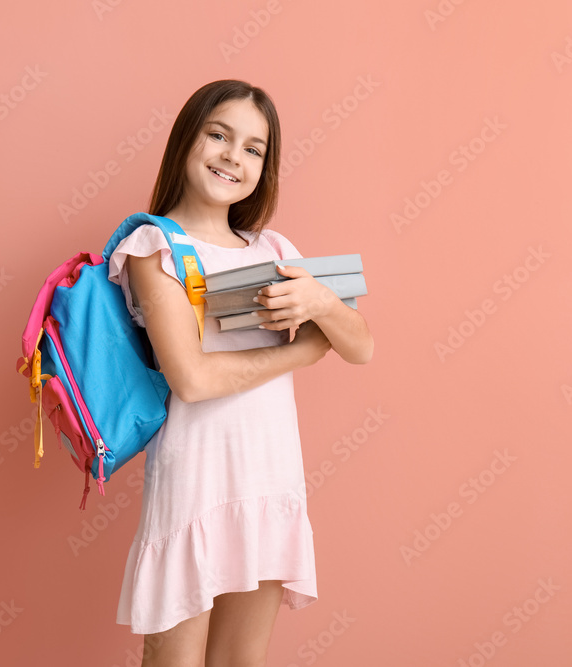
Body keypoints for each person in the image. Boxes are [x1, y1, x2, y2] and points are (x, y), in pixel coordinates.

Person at [107, 79, 374, 667]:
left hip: (269, 477)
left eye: (254, 148)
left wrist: (323, 306)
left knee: (241, 661)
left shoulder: (273, 248)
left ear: (264, 168)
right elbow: (193, 380)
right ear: (187, 139)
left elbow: (361, 347)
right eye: (219, 135)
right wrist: (300, 352)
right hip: (196, 483)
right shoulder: (154, 247)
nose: (233, 155)